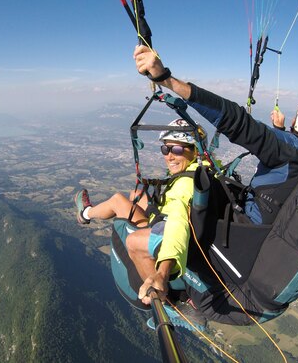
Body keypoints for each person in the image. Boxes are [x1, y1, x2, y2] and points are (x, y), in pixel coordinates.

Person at [132, 45, 298, 324]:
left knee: (165, 223)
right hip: (264, 251)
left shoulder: (288, 150)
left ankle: (182, 304)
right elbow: (286, 177)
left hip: (240, 246)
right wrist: (279, 133)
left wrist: (167, 80)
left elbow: (236, 120)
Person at [75, 118, 208, 330]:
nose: (169, 155)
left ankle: (85, 213)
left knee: (119, 202)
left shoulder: (186, 186)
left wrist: (163, 273)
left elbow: (178, 223)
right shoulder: (204, 169)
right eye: (165, 148)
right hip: (172, 226)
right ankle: (87, 213)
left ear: (194, 150)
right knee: (136, 194)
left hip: (170, 238)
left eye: (176, 148)